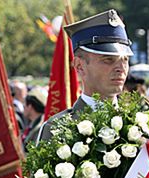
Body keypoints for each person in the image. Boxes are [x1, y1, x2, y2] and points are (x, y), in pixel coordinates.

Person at [37, 9, 133, 143]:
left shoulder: (139, 123)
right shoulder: (57, 129)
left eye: (125, 60)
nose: (121, 69)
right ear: (79, 66)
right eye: (108, 60)